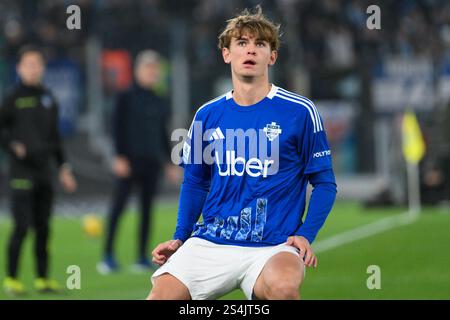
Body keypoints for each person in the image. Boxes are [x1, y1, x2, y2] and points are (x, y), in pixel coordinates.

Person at [147, 7, 337, 300]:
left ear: (271, 56)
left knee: (285, 291)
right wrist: (180, 237)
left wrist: (305, 234)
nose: (251, 50)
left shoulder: (300, 112)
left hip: (273, 246)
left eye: (260, 44)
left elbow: (325, 183)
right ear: (227, 54)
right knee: (160, 297)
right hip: (211, 241)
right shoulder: (207, 115)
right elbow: (195, 182)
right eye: (242, 43)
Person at [0, 45, 77, 295]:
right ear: (19, 68)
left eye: (37, 64)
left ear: (42, 68)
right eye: (28, 64)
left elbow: (55, 138)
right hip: (21, 173)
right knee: (22, 226)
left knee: (44, 228)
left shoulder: (48, 98)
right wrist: (12, 145)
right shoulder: (12, 98)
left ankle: (42, 279)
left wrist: (63, 168)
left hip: (44, 172)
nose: (33, 69)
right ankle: (11, 278)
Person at [97, 50, 179, 274]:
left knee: (146, 210)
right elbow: (116, 127)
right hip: (128, 162)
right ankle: (107, 256)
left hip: (151, 163)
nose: (153, 73)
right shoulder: (125, 96)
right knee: (118, 208)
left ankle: (142, 256)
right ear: (138, 70)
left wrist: (168, 162)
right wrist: (119, 156)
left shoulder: (159, 99)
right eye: (149, 69)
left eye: (156, 70)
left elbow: (162, 133)